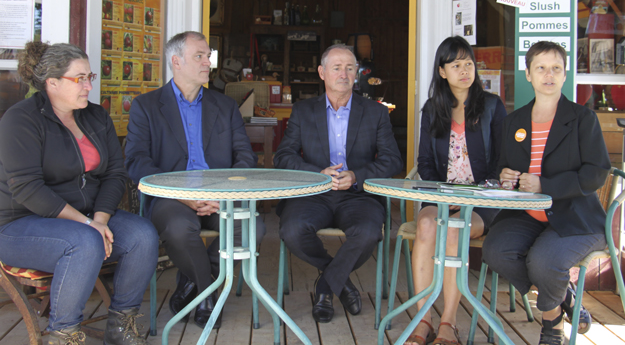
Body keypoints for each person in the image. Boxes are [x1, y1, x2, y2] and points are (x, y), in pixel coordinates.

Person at [0, 42, 158, 345]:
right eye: (79, 79)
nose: (88, 86)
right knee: (85, 242)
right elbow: (27, 189)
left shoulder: (95, 116)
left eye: (90, 77)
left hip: (86, 217)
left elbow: (114, 174)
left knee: (142, 234)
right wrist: (88, 225)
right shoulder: (21, 120)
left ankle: (121, 324)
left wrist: (100, 218)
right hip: (19, 223)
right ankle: (64, 334)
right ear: (52, 83)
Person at [125, 31, 265, 328]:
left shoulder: (224, 106)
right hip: (171, 198)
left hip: (220, 195)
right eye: (199, 56)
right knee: (179, 227)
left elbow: (245, 157)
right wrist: (180, 194)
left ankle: (192, 286)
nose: (208, 63)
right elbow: (136, 161)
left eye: (208, 56)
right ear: (176, 61)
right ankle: (207, 297)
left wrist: (224, 193)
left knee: (252, 226)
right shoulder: (146, 106)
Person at [482, 41, 610, 345]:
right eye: (541, 68)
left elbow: (596, 173)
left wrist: (545, 185)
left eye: (556, 68)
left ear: (565, 75)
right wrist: (506, 176)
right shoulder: (513, 121)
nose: (548, 75)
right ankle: (563, 296)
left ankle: (551, 323)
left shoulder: (582, 119)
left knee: (542, 262)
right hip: (528, 215)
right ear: (529, 74)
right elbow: (504, 167)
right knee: (495, 251)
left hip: (575, 217)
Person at [274, 44, 403, 323]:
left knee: (368, 232)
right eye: (336, 67)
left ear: (357, 73)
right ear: (322, 72)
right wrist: (317, 174)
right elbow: (283, 156)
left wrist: (356, 175)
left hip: (358, 195)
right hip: (314, 193)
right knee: (292, 229)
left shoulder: (375, 112)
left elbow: (393, 161)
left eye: (350, 67)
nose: (344, 73)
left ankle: (325, 286)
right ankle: (339, 281)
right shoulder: (303, 110)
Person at [406, 36, 506, 345]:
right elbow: (424, 161)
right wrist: (443, 195)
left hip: (481, 200)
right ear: (442, 71)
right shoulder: (432, 109)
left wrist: (469, 197)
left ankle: (448, 322)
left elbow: (500, 161)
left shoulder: (491, 106)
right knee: (425, 224)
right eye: (456, 64)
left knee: (453, 231)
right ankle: (423, 321)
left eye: (469, 63)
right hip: (441, 195)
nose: (465, 70)